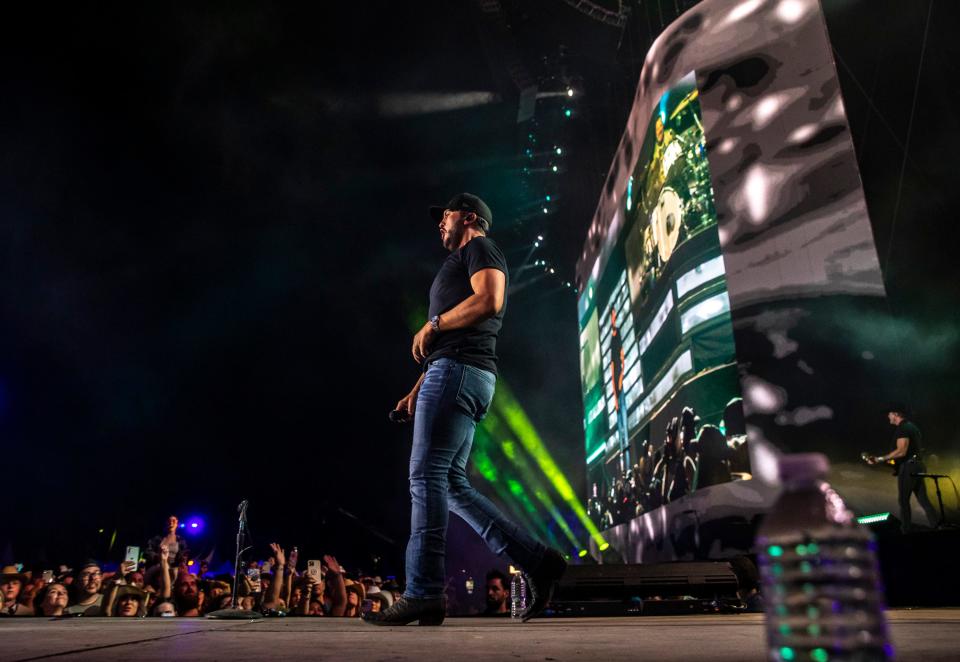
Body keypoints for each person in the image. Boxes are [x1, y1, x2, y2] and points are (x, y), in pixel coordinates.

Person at [364, 193, 565, 627]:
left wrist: (432, 324)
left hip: (458, 374)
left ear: (470, 217)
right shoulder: (465, 257)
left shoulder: (479, 247)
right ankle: (538, 560)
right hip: (455, 373)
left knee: (426, 477)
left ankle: (422, 592)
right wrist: (419, 387)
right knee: (450, 484)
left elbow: (489, 300)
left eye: (446, 215)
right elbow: (453, 341)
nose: (440, 223)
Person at [867, 405, 940, 532]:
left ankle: (905, 530)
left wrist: (880, 459)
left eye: (889, 414)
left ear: (895, 414)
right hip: (918, 465)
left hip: (909, 467)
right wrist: (885, 460)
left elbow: (901, 451)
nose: (888, 417)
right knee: (924, 500)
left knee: (903, 501)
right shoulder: (912, 427)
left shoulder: (903, 428)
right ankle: (938, 526)